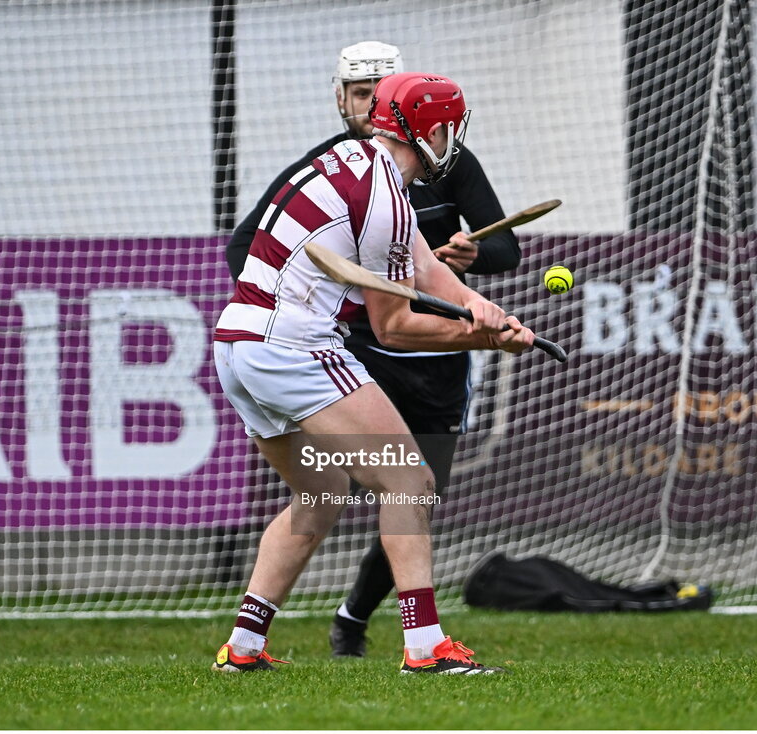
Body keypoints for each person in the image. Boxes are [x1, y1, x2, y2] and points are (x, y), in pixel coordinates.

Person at [211, 71, 535, 675]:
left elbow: (422, 267)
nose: (453, 141)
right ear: (433, 129)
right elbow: (395, 328)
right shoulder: (383, 195)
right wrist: (483, 339)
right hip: (294, 349)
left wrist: (482, 310)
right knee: (410, 483)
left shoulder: (356, 160)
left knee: (320, 493)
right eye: (450, 130)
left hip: (238, 346)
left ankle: (244, 648)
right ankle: (425, 647)